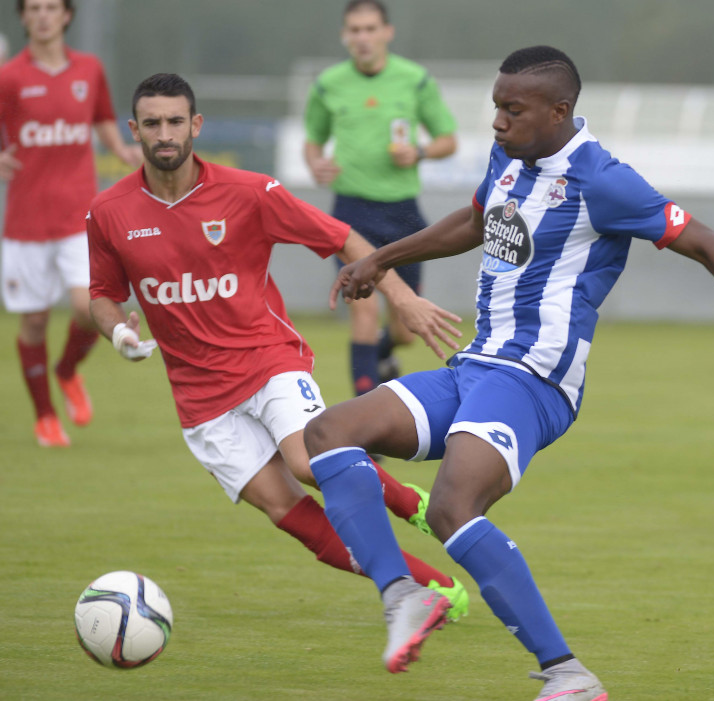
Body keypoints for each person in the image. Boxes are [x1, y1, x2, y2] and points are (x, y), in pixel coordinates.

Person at [303, 46, 714, 700]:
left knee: (451, 506)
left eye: (512, 109)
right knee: (328, 433)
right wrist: (381, 259)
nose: (497, 121)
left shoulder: (603, 181)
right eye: (496, 106)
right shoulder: (510, 155)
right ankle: (403, 593)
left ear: (559, 111)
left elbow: (708, 243)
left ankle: (566, 673)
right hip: (474, 365)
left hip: (534, 379)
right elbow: (475, 220)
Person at [86, 73, 469, 621]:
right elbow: (103, 293)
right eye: (152, 124)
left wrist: (402, 298)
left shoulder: (249, 192)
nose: (164, 134)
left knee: (311, 463)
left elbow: (341, 237)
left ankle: (413, 504)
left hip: (268, 360)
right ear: (134, 130)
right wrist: (119, 332)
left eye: (175, 121)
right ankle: (430, 587)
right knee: (286, 510)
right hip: (199, 399)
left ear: (195, 125)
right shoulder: (109, 212)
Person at [0, 0, 143, 447]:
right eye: (34, 8)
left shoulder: (89, 69)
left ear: (66, 15)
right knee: (35, 323)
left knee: (88, 308)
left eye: (51, 7)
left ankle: (67, 371)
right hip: (24, 222)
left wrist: (120, 149)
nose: (43, 15)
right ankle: (45, 416)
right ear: (23, 17)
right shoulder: (9, 77)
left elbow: (101, 116)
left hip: (79, 216)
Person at [303, 0, 458, 398]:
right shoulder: (328, 84)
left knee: (406, 330)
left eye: (370, 29)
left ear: (387, 32)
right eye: (355, 30)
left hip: (403, 213)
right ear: (345, 36)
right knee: (364, 311)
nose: (363, 38)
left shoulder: (415, 80)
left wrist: (420, 152)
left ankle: (385, 355)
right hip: (352, 212)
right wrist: (316, 164)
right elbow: (312, 142)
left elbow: (448, 139)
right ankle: (365, 424)